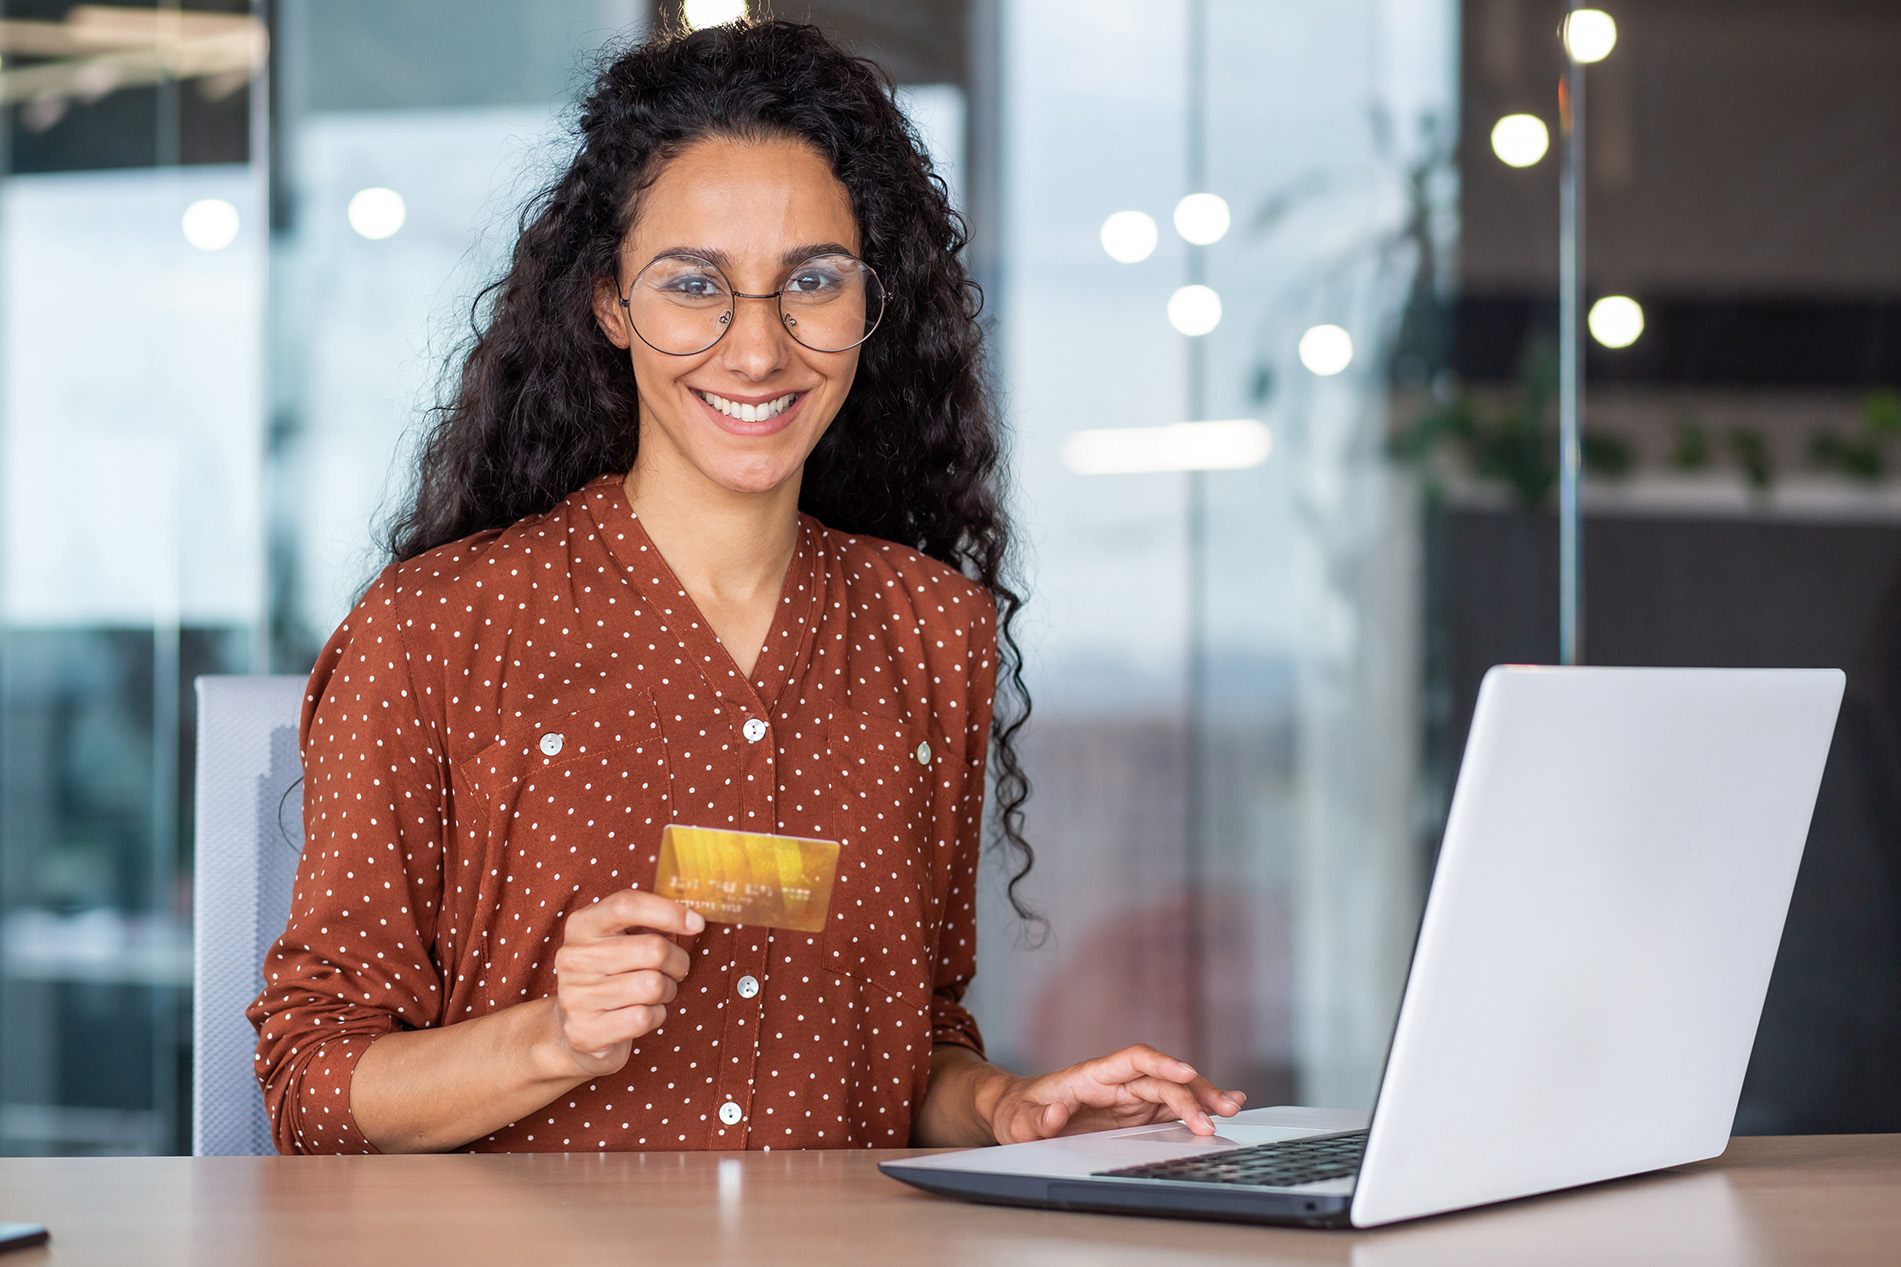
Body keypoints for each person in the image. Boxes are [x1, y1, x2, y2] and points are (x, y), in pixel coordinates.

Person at [249, 18, 1242, 1155]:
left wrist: (1004, 1106)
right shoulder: (436, 630)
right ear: (610, 305)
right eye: (693, 285)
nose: (758, 349)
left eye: (810, 281)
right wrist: (552, 1038)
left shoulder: (933, 633)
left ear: (874, 304)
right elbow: (309, 1087)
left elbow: (908, 1047)